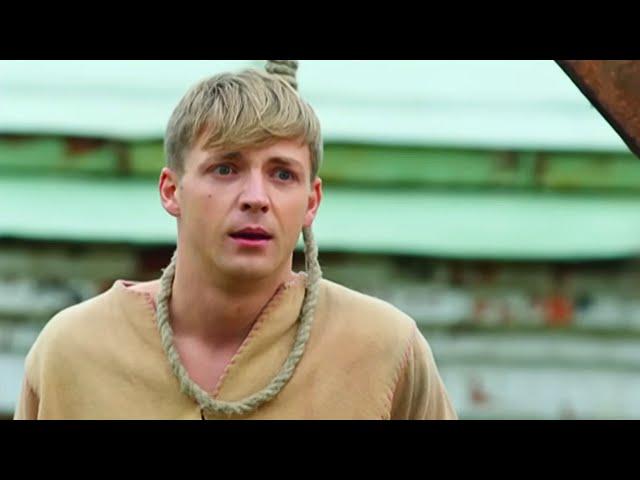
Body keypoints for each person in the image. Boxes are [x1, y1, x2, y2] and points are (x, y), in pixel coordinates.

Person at [14, 60, 457, 419]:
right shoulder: (74, 351)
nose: (256, 198)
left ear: (311, 201)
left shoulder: (383, 349)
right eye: (225, 168)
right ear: (171, 190)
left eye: (282, 174)